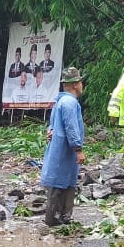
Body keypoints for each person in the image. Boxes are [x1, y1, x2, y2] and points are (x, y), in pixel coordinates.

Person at [41, 67, 86, 227]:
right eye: (80, 82)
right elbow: (72, 128)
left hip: (60, 150)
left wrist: (50, 132)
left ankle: (63, 217)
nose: (82, 84)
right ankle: (53, 218)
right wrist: (78, 149)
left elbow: (52, 126)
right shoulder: (69, 103)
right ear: (74, 84)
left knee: (65, 182)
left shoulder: (60, 101)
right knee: (59, 184)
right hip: (64, 150)